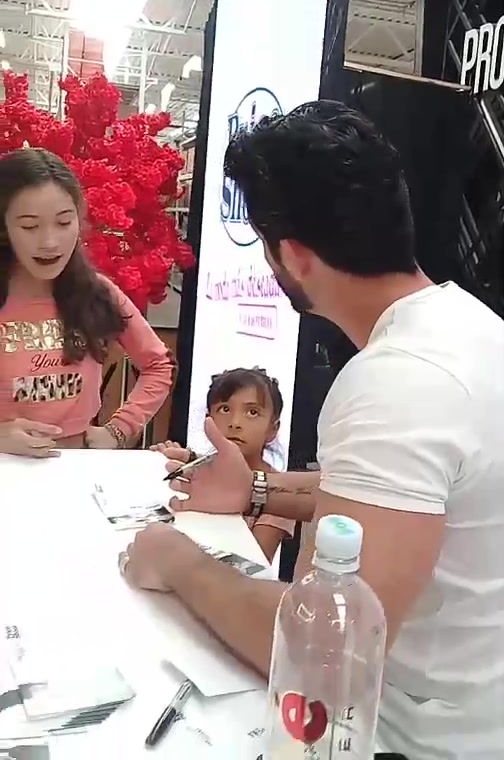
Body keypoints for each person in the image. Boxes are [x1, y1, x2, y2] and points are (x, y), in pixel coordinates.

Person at [122, 101, 504, 760]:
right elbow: (405, 500)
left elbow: (325, 645)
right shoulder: (469, 326)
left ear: (293, 256)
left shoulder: (397, 382)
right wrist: (257, 492)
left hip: (407, 738)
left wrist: (178, 561)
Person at [0, 148, 173, 457]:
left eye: (64, 222)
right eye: (29, 226)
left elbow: (159, 365)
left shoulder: (97, 292)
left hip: (78, 469)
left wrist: (118, 430)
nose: (50, 242)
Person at [154, 367, 294, 562]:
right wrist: (162, 458)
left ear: (273, 428)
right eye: (225, 409)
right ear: (208, 419)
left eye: (252, 412)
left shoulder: (280, 495)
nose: (235, 423)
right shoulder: (195, 469)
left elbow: (253, 566)